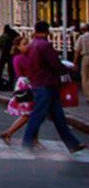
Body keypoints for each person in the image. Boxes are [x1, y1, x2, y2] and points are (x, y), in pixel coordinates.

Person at [21, 21, 86, 153]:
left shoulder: (32, 45)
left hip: (39, 82)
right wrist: (69, 69)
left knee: (58, 116)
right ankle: (26, 142)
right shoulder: (45, 45)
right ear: (46, 31)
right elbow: (55, 64)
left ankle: (72, 144)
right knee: (39, 115)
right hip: (47, 83)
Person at [0, 37, 36, 145]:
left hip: (27, 85)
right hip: (26, 86)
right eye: (24, 44)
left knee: (31, 114)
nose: (28, 46)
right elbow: (29, 70)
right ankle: (9, 132)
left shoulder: (24, 57)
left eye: (28, 43)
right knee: (28, 114)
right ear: (18, 47)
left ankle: (11, 133)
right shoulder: (20, 58)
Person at [0, 25, 19, 90]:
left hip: (4, 52)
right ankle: (11, 84)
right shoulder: (15, 34)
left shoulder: (4, 36)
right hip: (12, 53)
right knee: (11, 69)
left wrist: (0, 48)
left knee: (1, 68)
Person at [75, 24, 89, 104]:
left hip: (86, 57)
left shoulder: (82, 37)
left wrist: (75, 62)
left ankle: (88, 96)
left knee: (85, 77)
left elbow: (77, 50)